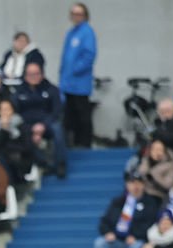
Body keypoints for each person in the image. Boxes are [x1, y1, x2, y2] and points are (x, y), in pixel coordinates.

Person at [94, 172, 160, 248]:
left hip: (136, 240)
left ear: (143, 185)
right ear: (127, 185)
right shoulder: (118, 202)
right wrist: (107, 232)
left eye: (138, 183)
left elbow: (150, 224)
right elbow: (104, 221)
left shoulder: (150, 203)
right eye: (132, 183)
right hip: (116, 239)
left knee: (137, 247)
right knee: (100, 243)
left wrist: (135, 236)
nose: (135, 186)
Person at [14, 62, 68, 177]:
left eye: (36, 73)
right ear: (25, 75)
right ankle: (43, 164)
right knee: (21, 132)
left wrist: (43, 126)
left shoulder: (52, 89)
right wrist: (31, 129)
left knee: (58, 129)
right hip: (26, 124)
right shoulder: (18, 91)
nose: (33, 76)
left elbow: (57, 111)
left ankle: (60, 164)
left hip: (47, 123)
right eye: (30, 74)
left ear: (42, 74)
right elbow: (15, 112)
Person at [59, 2, 97, 148]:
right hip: (68, 83)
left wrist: (75, 70)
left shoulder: (87, 32)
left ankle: (85, 143)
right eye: (73, 14)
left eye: (79, 14)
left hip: (79, 83)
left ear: (85, 16)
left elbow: (89, 56)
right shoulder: (71, 32)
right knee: (70, 116)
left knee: (83, 115)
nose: (76, 17)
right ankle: (73, 143)